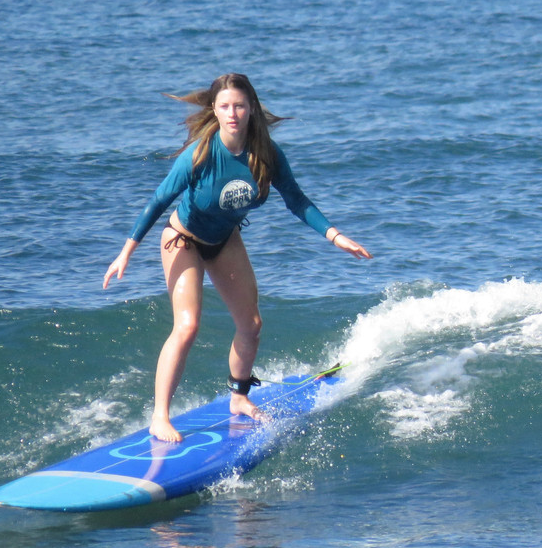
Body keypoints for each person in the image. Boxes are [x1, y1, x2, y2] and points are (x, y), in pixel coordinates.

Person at [103, 73, 372, 442]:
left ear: (251, 109)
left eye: (240, 106)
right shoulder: (200, 153)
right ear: (214, 109)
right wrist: (126, 252)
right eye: (225, 106)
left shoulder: (267, 154)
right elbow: (158, 200)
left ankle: (238, 398)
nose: (233, 113)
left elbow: (296, 199)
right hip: (183, 239)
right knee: (188, 326)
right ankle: (160, 417)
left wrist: (335, 235)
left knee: (252, 325)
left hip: (225, 239)